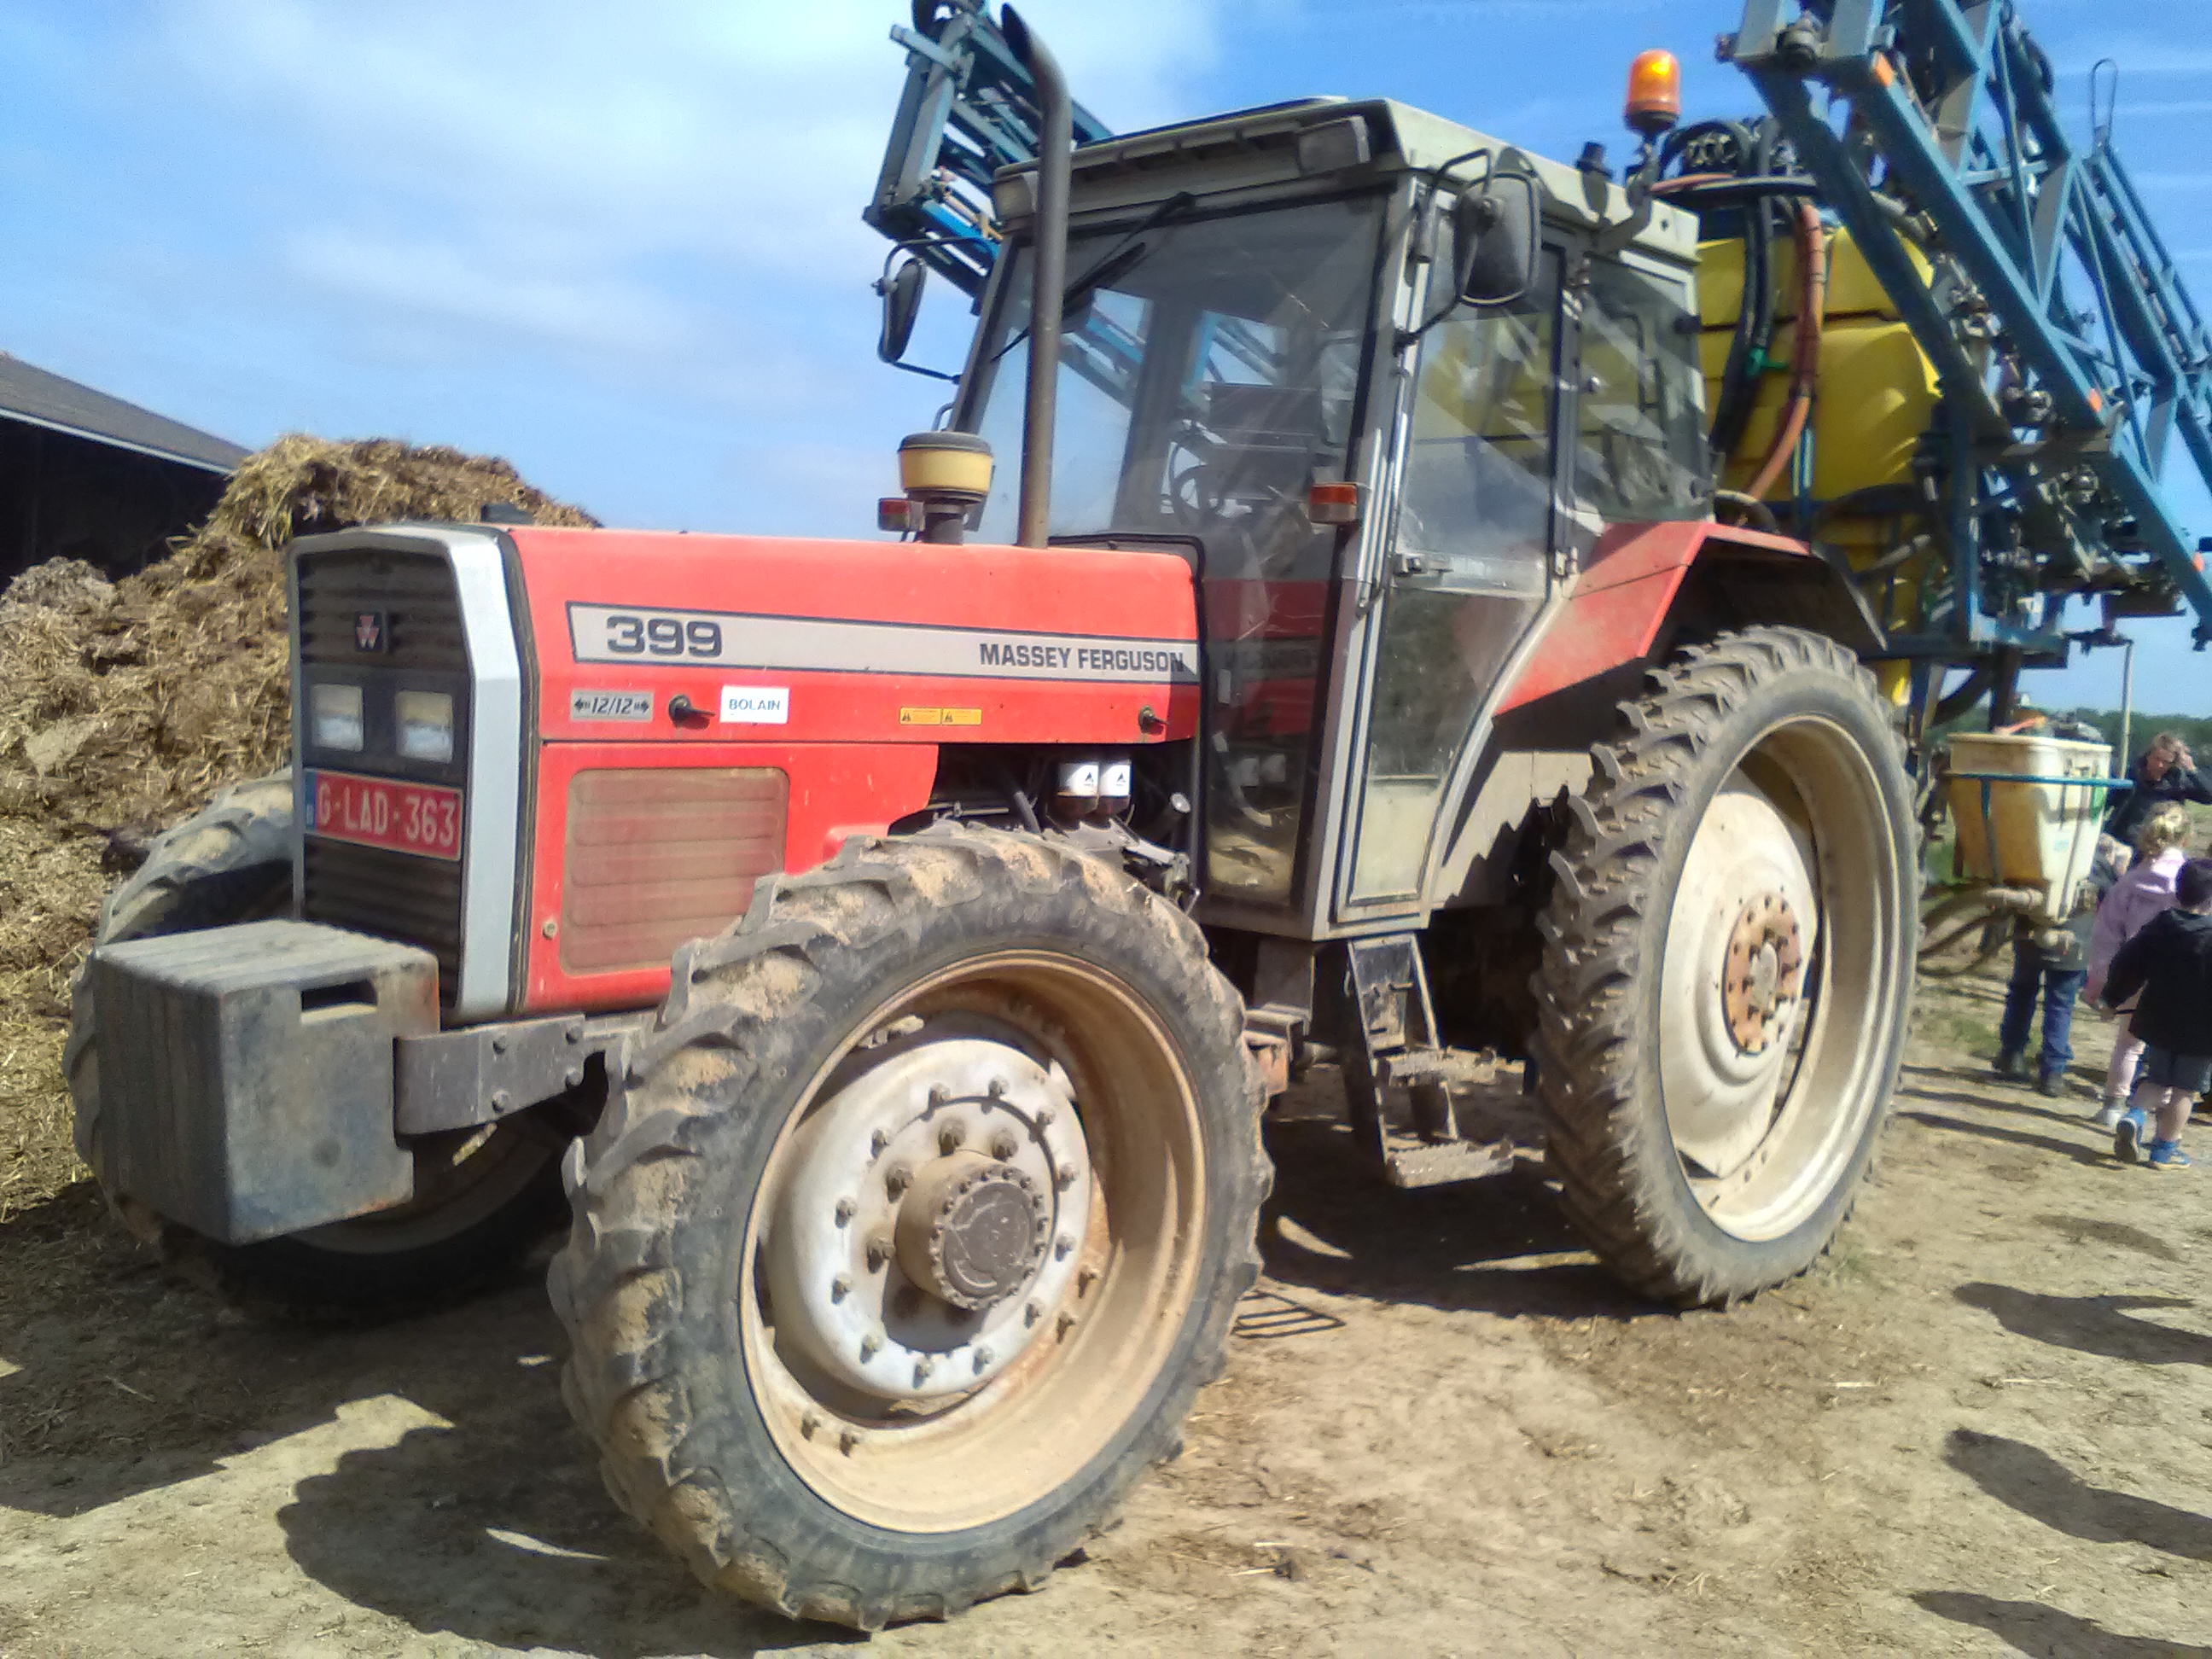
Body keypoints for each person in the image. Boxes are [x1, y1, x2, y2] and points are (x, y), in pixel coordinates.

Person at [2084, 804, 2195, 1127]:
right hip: (2177, 978)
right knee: (2166, 1046)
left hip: (2133, 974)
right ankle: (2154, 1109)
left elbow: (2106, 934)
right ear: (2186, 839)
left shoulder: (2130, 883)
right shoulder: (2193, 883)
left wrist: (2102, 982)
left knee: (2128, 1045)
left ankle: (2113, 1105)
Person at [2099, 857, 2212, 1170]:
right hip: (2202, 1031)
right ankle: (2165, 1150)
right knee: (2185, 1090)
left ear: (2178, 890)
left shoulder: (2162, 925)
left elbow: (2128, 962)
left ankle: (2134, 1116)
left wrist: (2111, 998)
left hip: (2158, 1019)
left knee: (2157, 1078)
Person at [1993, 899, 2093, 1097]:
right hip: (2074, 942)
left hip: (2031, 931)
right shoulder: (2098, 869)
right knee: (2060, 1006)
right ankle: (2053, 1073)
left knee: (2022, 992)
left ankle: (2012, 1056)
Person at [2104, 732, 2212, 847]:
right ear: (2148, 755)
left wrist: (2192, 770)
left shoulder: (2178, 782)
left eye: (2166, 762)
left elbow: (2208, 796)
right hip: (2123, 840)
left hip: (2160, 843)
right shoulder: (2130, 774)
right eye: (2157, 759)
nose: (2160, 765)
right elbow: (2107, 801)